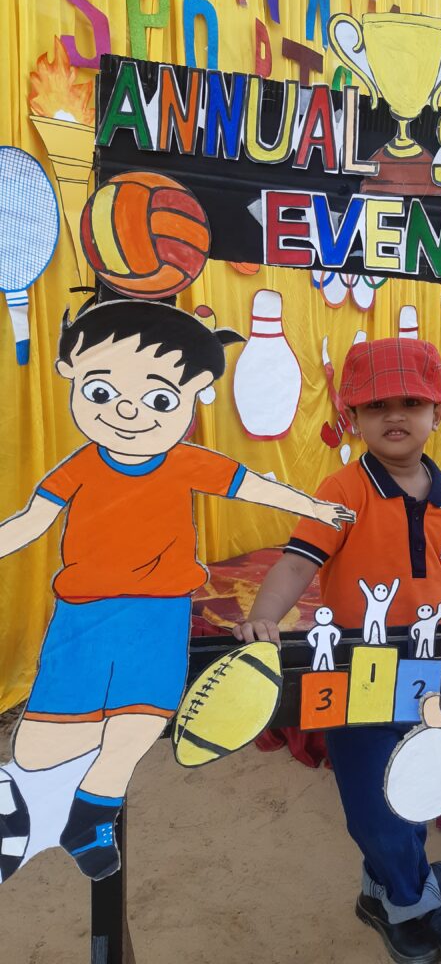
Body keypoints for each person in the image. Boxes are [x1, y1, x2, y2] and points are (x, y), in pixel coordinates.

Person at [0, 300, 353, 882]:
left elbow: (251, 486)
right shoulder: (78, 468)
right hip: (84, 614)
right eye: (102, 391)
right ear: (70, 375)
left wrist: (312, 507)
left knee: (139, 723)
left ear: (193, 396)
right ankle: (21, 805)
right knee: (43, 741)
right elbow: (31, 522)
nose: (128, 411)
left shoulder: (186, 462)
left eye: (160, 399)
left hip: (160, 615)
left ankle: (90, 818)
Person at [235, 337, 441, 964]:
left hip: (427, 670)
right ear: (352, 418)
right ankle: (415, 898)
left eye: (411, 402)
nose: (394, 415)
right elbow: (297, 563)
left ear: (438, 412)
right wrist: (265, 615)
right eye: (375, 405)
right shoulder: (342, 490)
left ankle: (386, 892)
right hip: (354, 674)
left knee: (415, 787)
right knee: (372, 802)